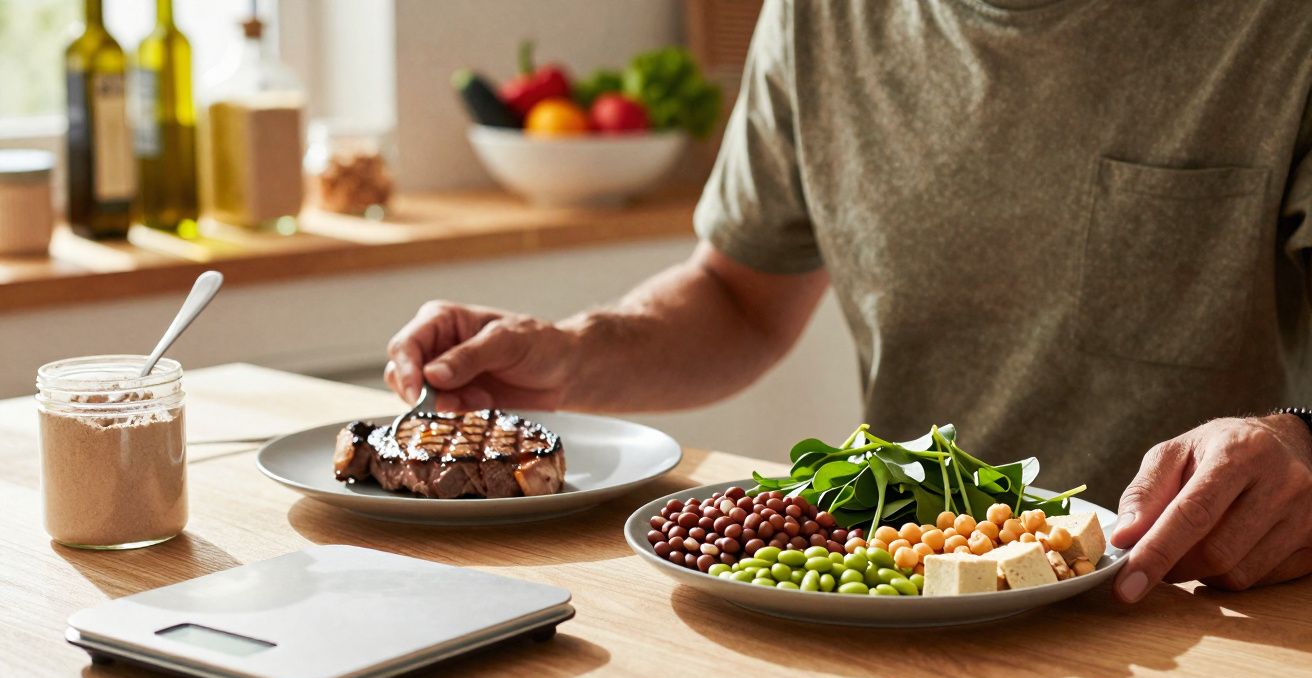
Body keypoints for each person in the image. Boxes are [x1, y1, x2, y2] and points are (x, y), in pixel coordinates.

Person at [386, 1, 1312, 602]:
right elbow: (735, 295)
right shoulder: (820, 17)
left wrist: (1301, 437)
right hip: (892, 598)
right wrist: (573, 350)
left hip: (1201, 605)